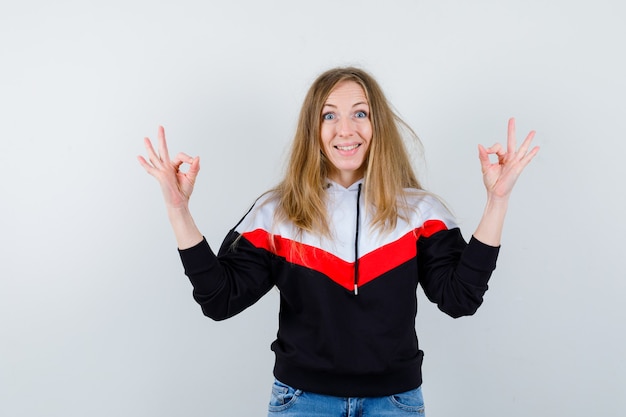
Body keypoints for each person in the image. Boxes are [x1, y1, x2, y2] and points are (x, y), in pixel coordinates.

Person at [138, 67, 539, 416]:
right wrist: (178, 210)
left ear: (378, 125)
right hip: (301, 402)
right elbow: (219, 299)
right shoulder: (276, 213)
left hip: (395, 403)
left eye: (359, 114)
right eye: (329, 115)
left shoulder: (421, 213)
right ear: (312, 129)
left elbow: (460, 299)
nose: (345, 129)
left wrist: (497, 200)